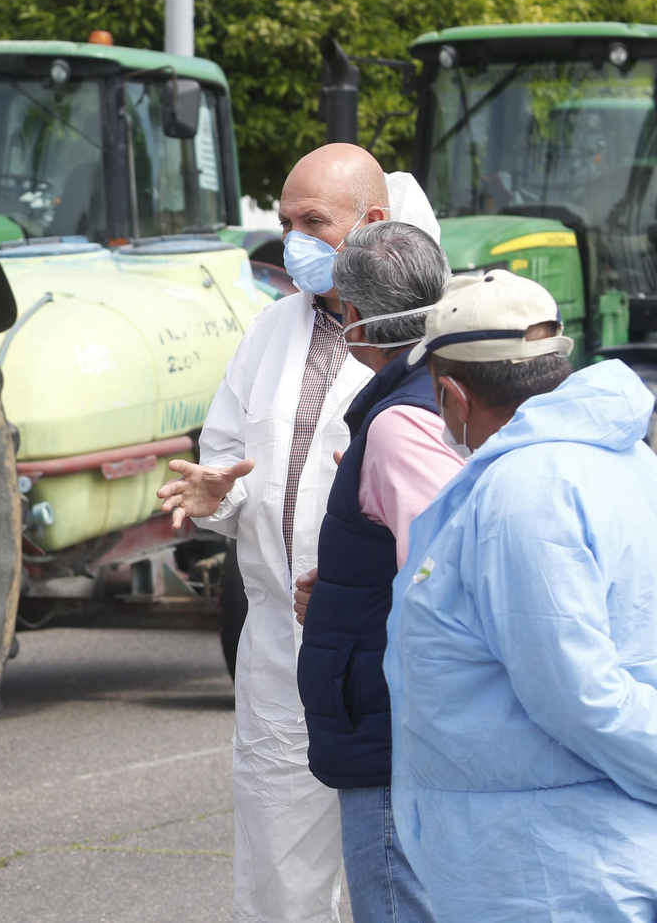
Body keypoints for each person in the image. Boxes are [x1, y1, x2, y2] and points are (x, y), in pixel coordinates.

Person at [156, 145, 441, 923]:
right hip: (281, 650)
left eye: (314, 222)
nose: (295, 242)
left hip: (386, 652)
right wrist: (210, 494)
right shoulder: (271, 331)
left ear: (372, 223)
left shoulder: (435, 340)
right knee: (280, 885)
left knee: (397, 880)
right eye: (286, 223)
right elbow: (225, 470)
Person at [384, 270, 657, 921]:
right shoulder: (619, 459)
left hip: (551, 875)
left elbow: (582, 698)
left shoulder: (523, 492)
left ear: (450, 394)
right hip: (565, 855)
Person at [291, 220, 460, 923]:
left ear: (354, 320)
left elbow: (446, 580)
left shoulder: (400, 423)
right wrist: (343, 587)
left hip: (391, 733)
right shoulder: (434, 396)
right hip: (389, 718)